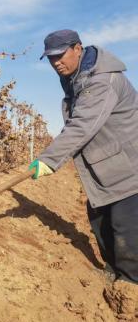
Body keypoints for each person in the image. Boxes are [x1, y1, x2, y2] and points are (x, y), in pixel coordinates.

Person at [29, 29, 138, 284]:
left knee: (127, 231)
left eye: (60, 55)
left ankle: (132, 289)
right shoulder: (76, 78)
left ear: (78, 49)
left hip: (128, 169)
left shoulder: (101, 81)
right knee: (101, 223)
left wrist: (48, 160)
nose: (56, 62)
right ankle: (113, 272)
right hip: (105, 167)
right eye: (50, 58)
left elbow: (82, 125)